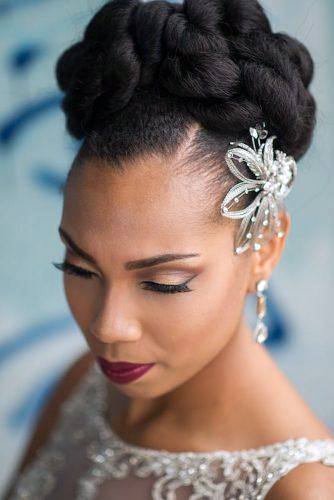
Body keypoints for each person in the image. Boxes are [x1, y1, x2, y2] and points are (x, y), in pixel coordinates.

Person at [4, 0, 334, 498]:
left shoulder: (299, 490)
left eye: (163, 283)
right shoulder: (85, 383)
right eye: (79, 268)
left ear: (265, 246)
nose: (106, 327)